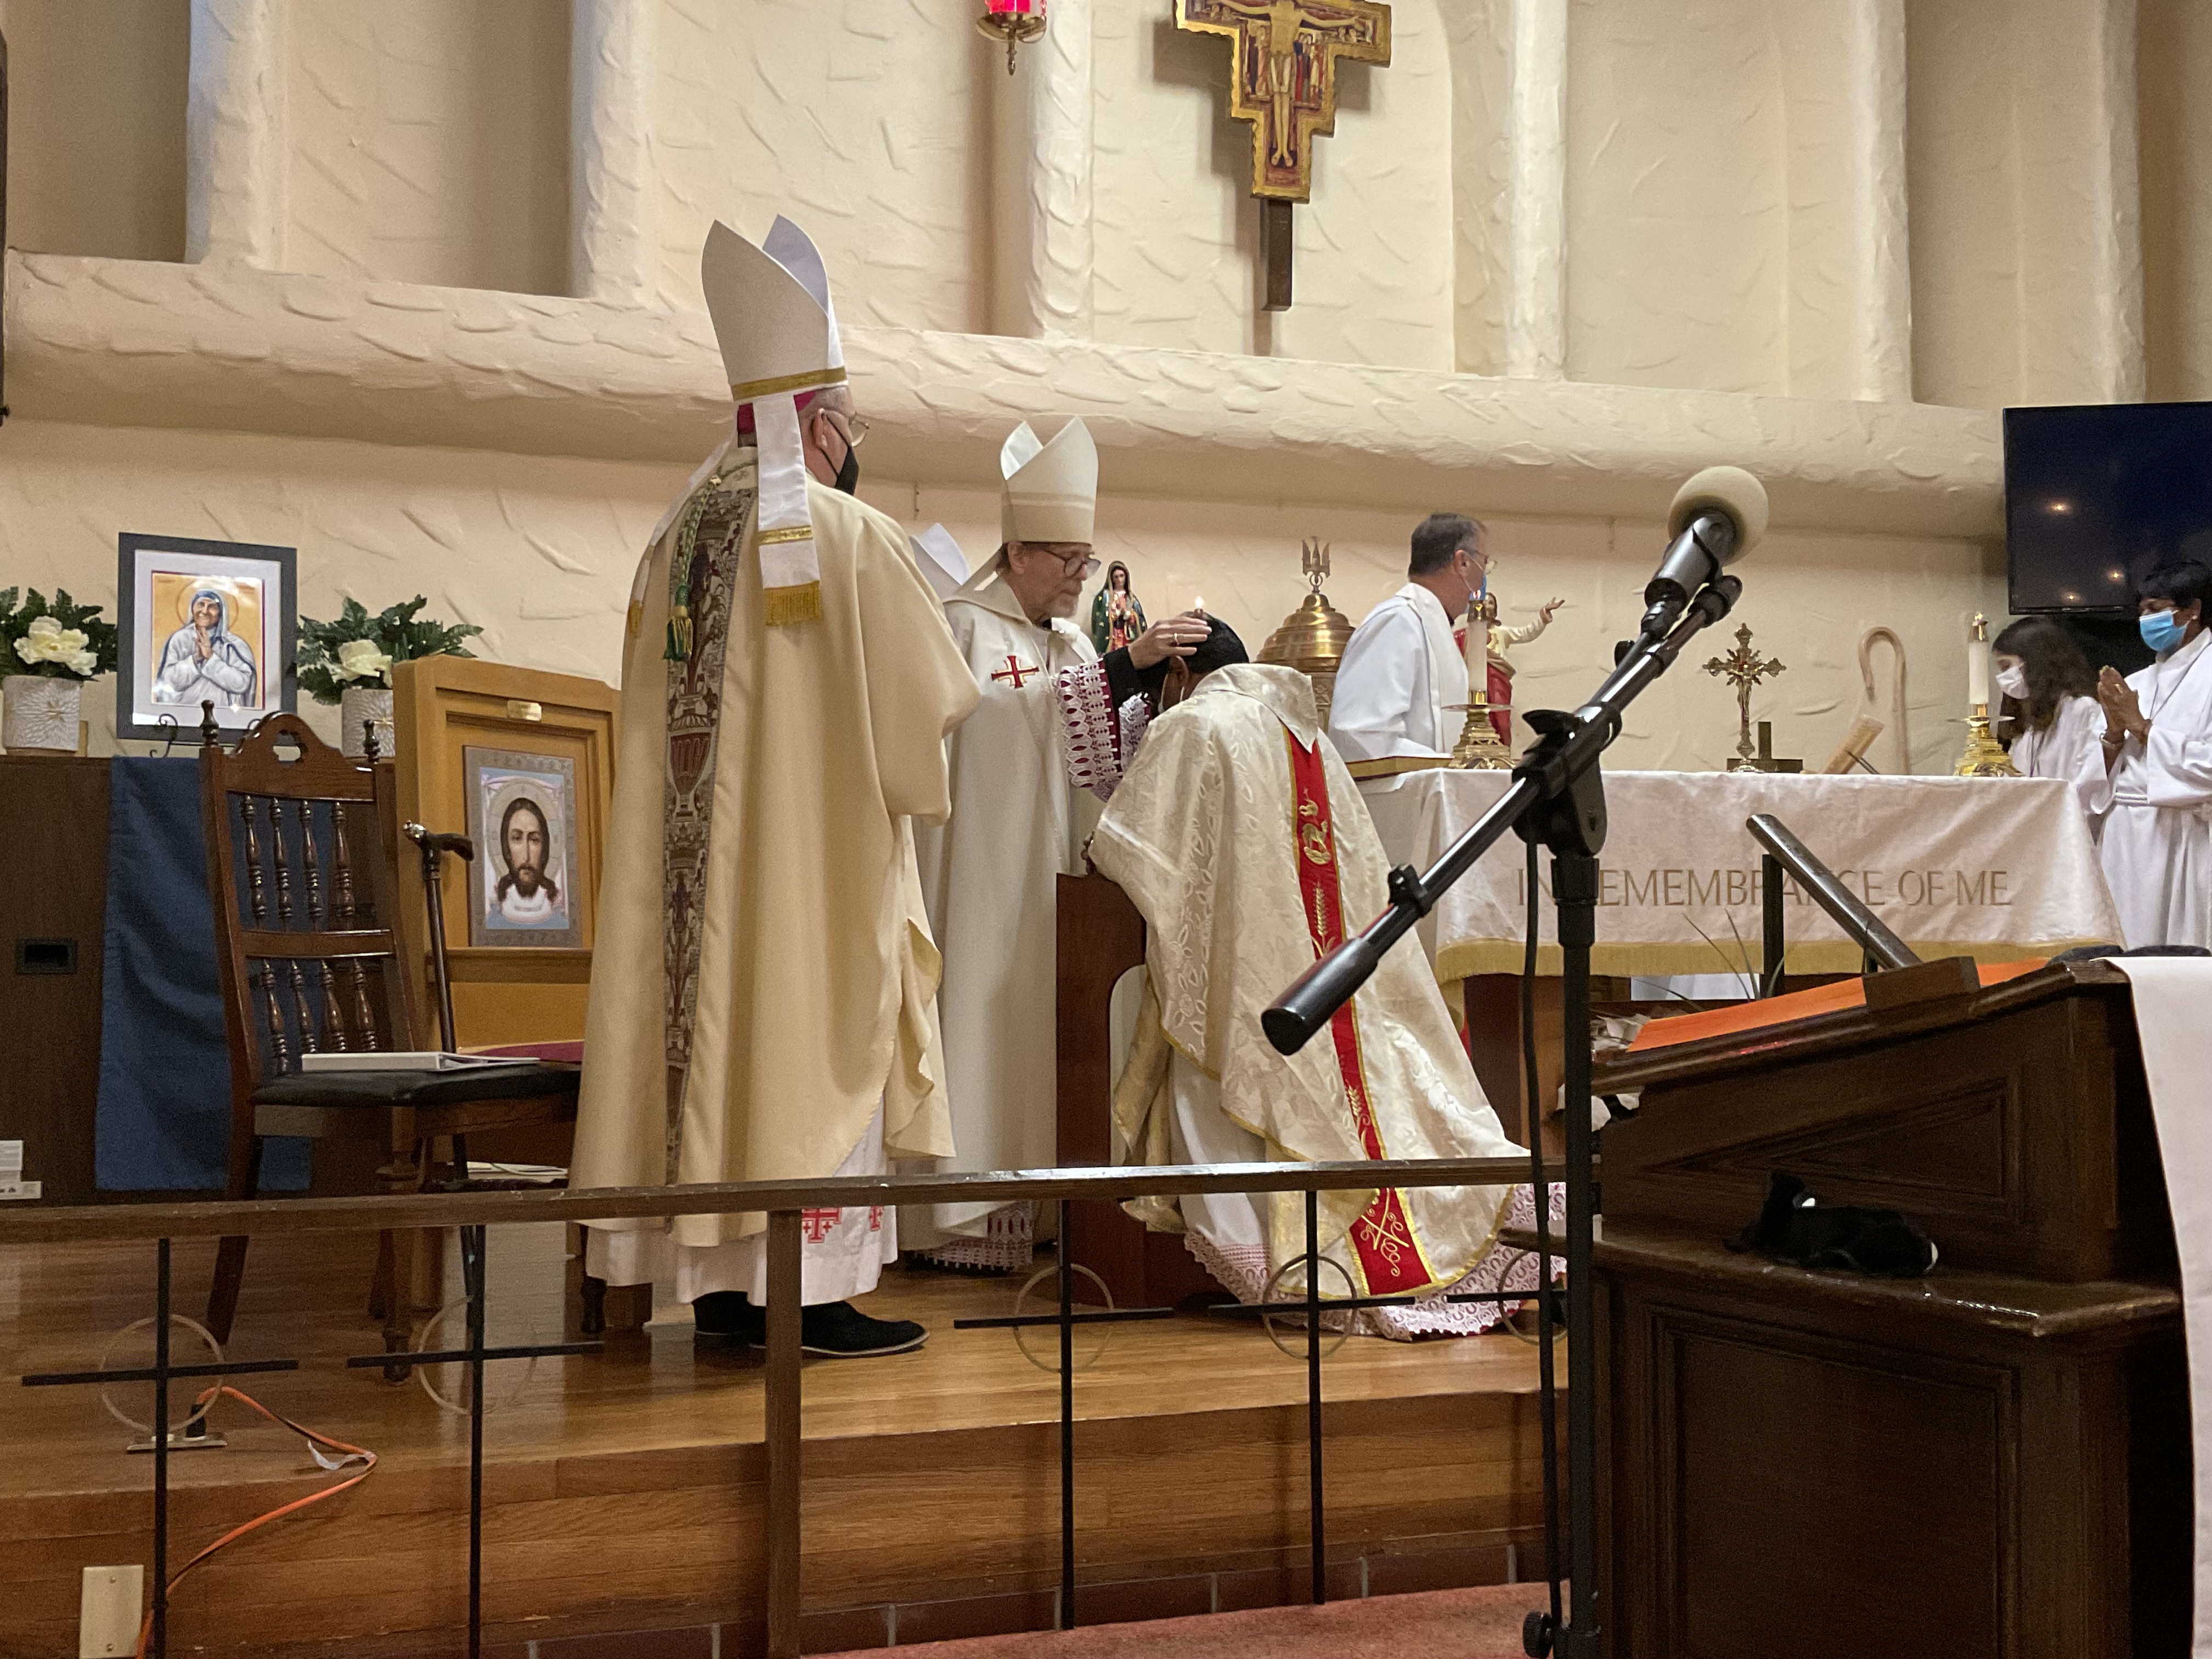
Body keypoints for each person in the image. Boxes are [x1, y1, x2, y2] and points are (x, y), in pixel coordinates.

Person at [569, 217, 979, 1358]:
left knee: (706, 1044)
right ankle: (807, 1298)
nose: (853, 446)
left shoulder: (672, 537)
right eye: (850, 427)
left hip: (686, 887)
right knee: (802, 1029)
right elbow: (932, 710)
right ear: (820, 425)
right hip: (808, 870)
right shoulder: (845, 535)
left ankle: (717, 1295)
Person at [1075, 617, 1545, 1335]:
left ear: (1177, 676)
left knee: (1247, 1078)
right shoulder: (1307, 737)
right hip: (1328, 972)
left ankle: (1294, 1262)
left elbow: (1134, 850)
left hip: (1250, 969)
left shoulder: (1195, 723)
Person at [908, 420, 1210, 1272]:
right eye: (1068, 561)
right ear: (1017, 551)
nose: (1082, 577)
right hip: (986, 880)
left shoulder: (1071, 641)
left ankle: (1043, 1206)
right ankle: (959, 1215)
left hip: (1058, 891)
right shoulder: (966, 626)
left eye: (1087, 559)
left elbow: (1093, 743)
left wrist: (1149, 687)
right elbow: (1000, 719)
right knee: (988, 1021)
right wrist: (1120, 670)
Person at [2085, 562, 2212, 949]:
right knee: (2124, 946)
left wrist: (2143, 728)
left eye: (2157, 608)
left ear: (2192, 610)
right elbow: (2096, 781)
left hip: (2185, 836)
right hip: (2125, 837)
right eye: (2142, 612)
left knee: (2180, 948)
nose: (2147, 620)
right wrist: (2114, 733)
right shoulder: (2136, 682)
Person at [1327, 513, 1489, 763]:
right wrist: (1450, 766)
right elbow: (1360, 734)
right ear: (1463, 562)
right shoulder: (1398, 620)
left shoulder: (1433, 624)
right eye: (1484, 562)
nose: (1485, 575)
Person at [1991, 617, 2102, 810]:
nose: (2004, 678)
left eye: (2007, 667)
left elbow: (2088, 782)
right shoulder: (2031, 722)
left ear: (2036, 662)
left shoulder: (2081, 711)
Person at [152, 588, 258, 709]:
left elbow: (242, 684)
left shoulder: (233, 645)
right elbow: (167, 682)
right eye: (201, 605)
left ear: (220, 614)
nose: (204, 611)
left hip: (222, 715)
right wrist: (196, 659)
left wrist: (211, 658)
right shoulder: (180, 639)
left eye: (212, 607)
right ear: (193, 609)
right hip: (185, 714)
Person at [492, 797, 561, 925]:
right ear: (506, 847)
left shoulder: (557, 904)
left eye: (534, 840)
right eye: (517, 838)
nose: (526, 856)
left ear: (544, 847)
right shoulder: (495, 905)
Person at [1089, 561, 1147, 654]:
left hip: (1127, 637)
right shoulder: (1104, 597)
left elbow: (1140, 620)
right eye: (1116, 577)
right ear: (1111, 579)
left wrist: (1130, 616)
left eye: (1122, 576)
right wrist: (1114, 615)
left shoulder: (1131, 599)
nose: (1119, 580)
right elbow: (1099, 620)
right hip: (1112, 637)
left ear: (1126, 577)